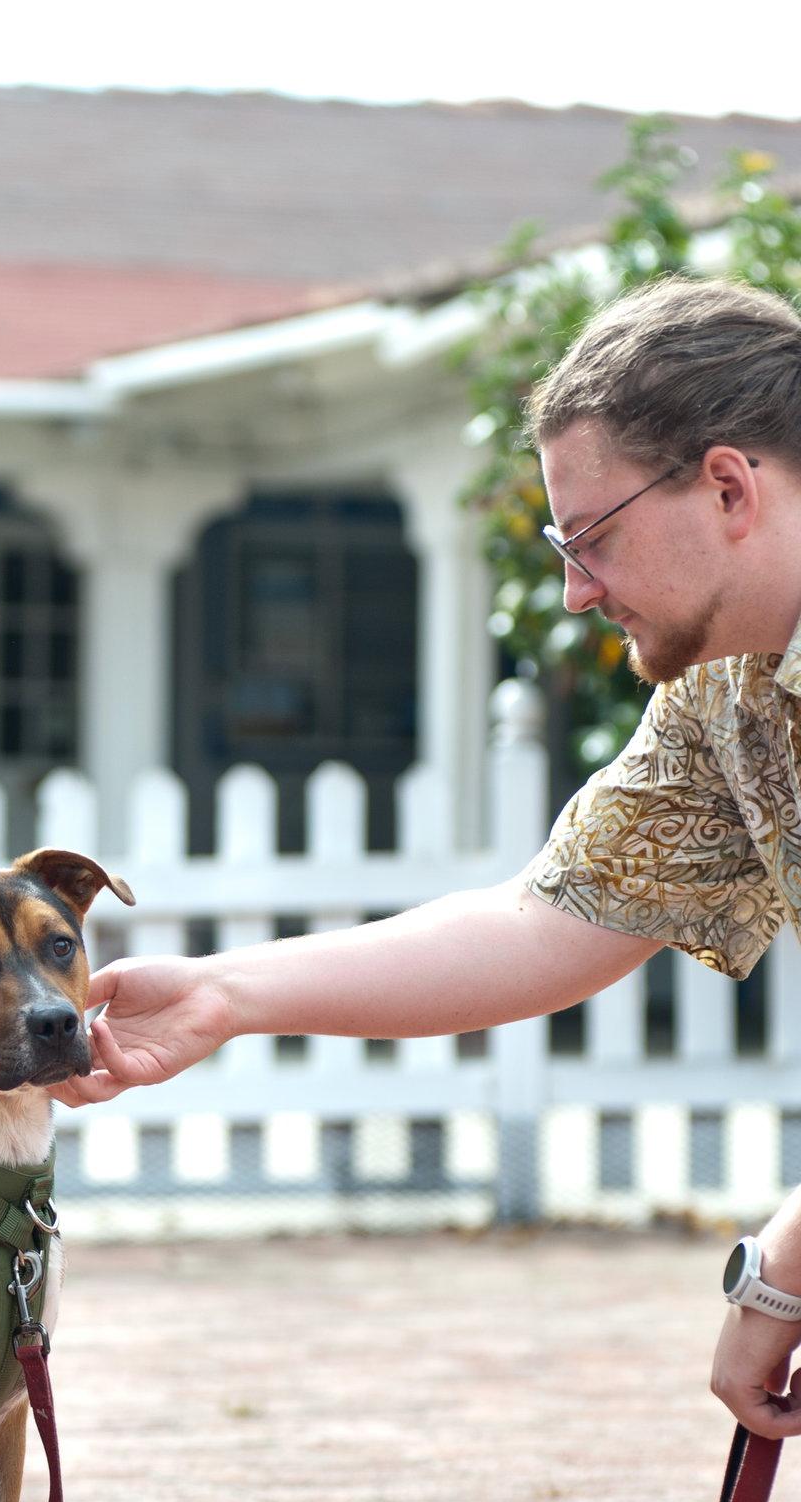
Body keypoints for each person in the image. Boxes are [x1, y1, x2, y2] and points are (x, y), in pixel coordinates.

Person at [51, 277, 801, 1442]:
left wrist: (787, 1257)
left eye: (592, 536)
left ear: (725, 487)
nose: (572, 588)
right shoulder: (727, 687)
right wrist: (227, 993)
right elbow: (549, 919)